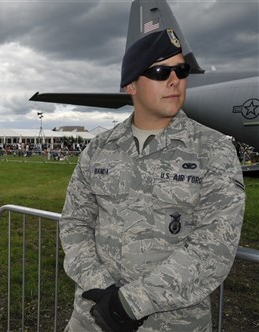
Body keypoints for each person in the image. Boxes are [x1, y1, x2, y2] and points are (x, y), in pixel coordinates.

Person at [59, 28, 245, 332]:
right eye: (160, 71)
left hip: (172, 321)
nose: (175, 80)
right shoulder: (99, 149)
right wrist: (102, 290)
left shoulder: (212, 150)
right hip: (93, 316)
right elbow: (75, 223)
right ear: (131, 85)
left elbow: (215, 245)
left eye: (181, 70)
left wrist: (130, 304)